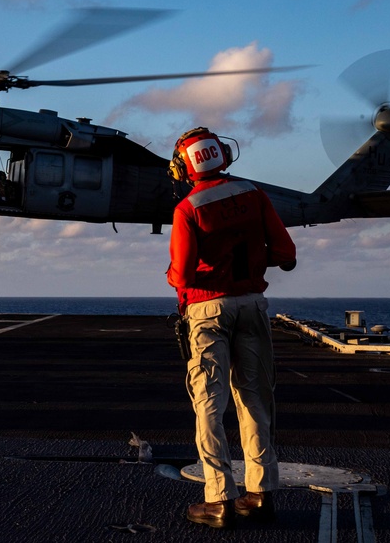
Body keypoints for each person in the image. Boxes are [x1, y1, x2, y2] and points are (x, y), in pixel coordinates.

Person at [166, 127, 297, 530]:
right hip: (252, 305)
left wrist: (175, 275)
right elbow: (287, 256)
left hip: (207, 310)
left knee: (209, 402)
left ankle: (218, 498)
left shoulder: (188, 208)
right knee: (255, 399)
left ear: (183, 167)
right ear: (223, 155)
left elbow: (182, 275)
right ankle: (259, 493)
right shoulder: (254, 194)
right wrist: (250, 265)